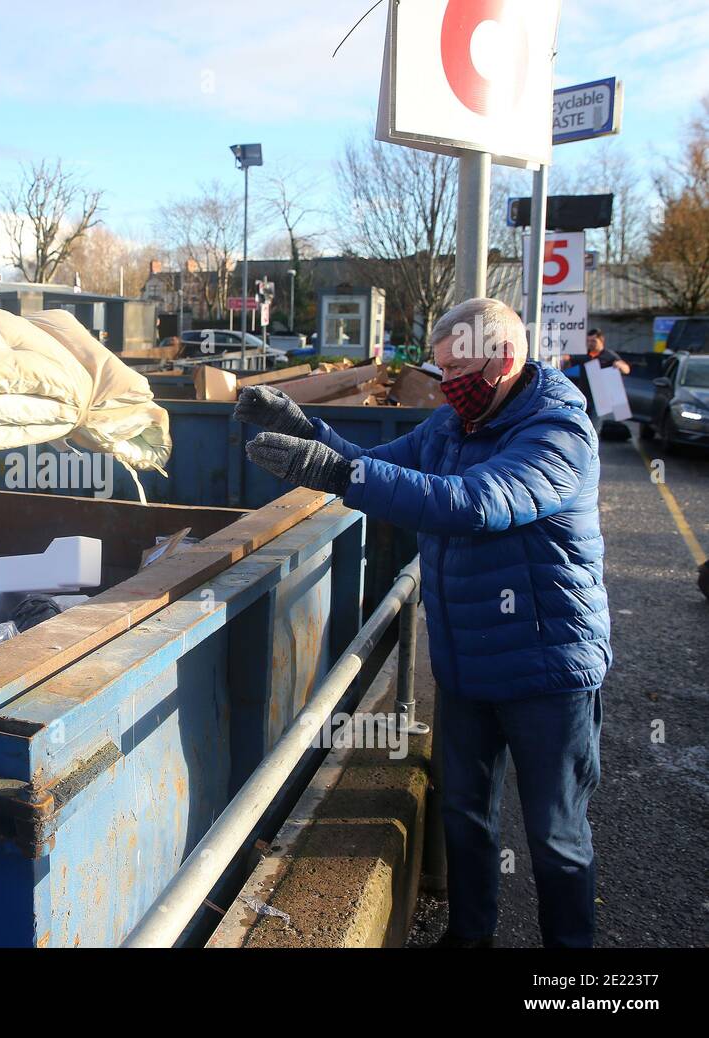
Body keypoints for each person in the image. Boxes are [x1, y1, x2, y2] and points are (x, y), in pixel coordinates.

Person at [235, 297, 611, 948]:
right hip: (468, 666)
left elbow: (473, 504)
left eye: (458, 375)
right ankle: (469, 938)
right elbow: (387, 464)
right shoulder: (449, 428)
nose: (448, 390)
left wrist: (339, 473)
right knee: (464, 815)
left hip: (549, 668)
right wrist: (308, 431)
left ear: (504, 361)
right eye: (440, 376)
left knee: (556, 836)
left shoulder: (557, 432)